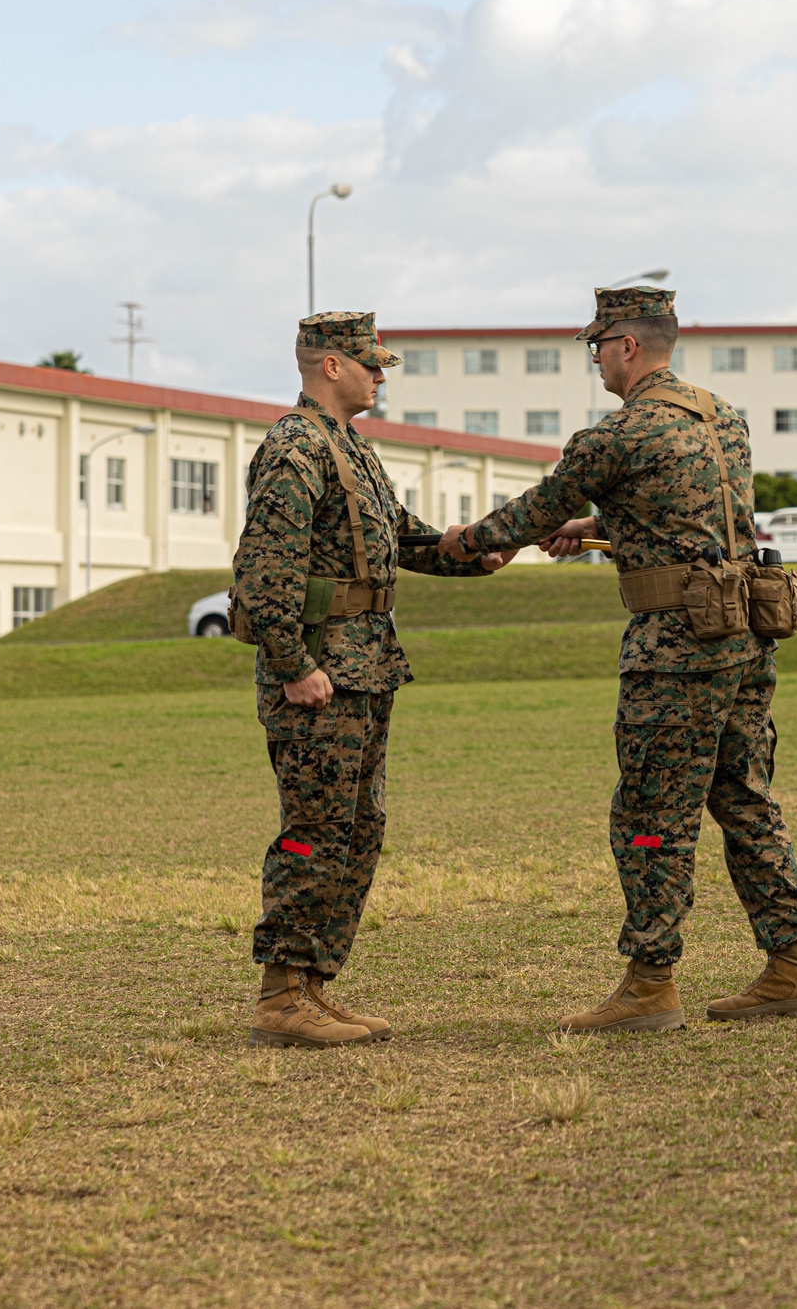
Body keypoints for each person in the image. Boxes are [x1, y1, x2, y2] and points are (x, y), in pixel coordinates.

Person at [438, 286, 797, 1032]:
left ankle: (651, 983)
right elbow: (689, 517)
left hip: (678, 647)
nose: (594, 360)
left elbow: (534, 509)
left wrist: (474, 539)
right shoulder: (724, 418)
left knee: (650, 813)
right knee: (744, 796)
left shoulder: (619, 433)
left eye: (597, 346)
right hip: (746, 632)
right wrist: (600, 524)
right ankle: (794, 962)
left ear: (627, 345)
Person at [234, 311, 514, 1049]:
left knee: (357, 829)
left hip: (364, 667)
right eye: (371, 363)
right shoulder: (295, 446)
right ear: (330, 365)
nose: (381, 375)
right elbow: (264, 575)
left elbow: (406, 536)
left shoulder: (349, 448)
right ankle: (280, 994)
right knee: (315, 831)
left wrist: (480, 549)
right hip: (321, 674)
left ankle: (313, 985)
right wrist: (295, 666)